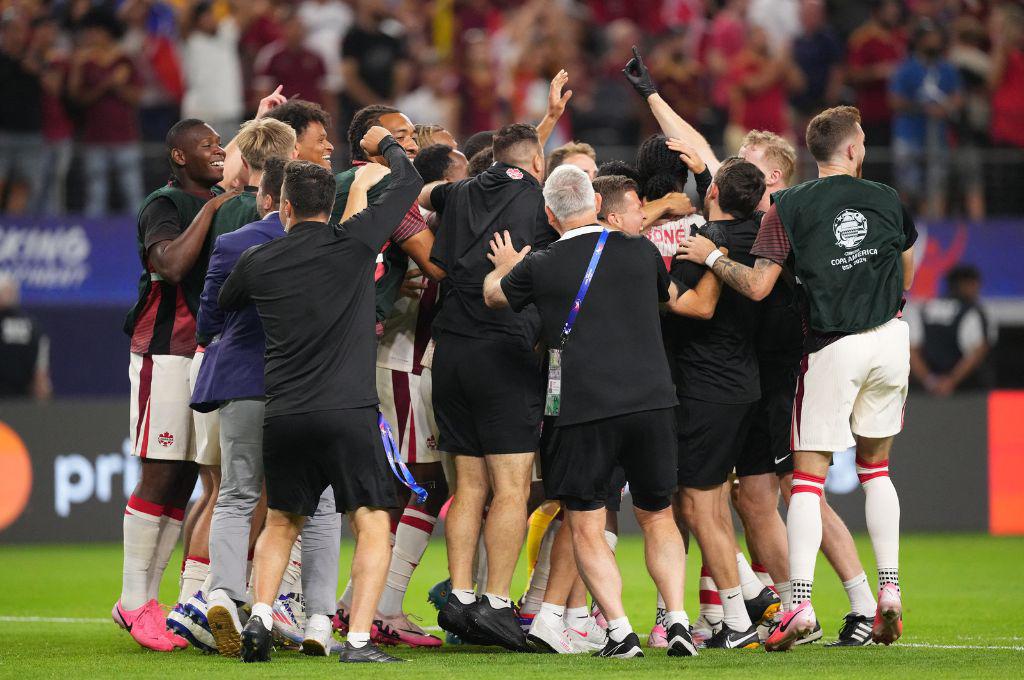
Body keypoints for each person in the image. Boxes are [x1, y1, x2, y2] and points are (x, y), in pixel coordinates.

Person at [677, 105, 918, 651]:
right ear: (853, 149)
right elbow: (906, 268)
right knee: (875, 469)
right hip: (890, 338)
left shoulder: (789, 206)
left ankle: (801, 605)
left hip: (828, 348)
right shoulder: (886, 197)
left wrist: (712, 256)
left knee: (804, 482)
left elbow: (757, 286)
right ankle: (888, 591)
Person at [219, 127, 422, 664]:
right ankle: (356, 640)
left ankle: (261, 616)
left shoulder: (258, 260)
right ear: (331, 206)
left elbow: (224, 302)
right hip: (348, 412)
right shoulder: (355, 243)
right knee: (372, 521)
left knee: (282, 520)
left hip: (285, 412)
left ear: (283, 206)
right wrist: (386, 143)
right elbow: (409, 181)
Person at [481, 165, 696, 659]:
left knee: (585, 521)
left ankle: (620, 631)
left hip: (584, 408)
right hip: (653, 401)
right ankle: (678, 622)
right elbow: (663, 298)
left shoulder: (542, 264)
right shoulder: (642, 250)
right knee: (658, 514)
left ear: (549, 214)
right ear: (596, 204)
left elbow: (493, 296)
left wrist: (507, 265)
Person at [419, 123, 555, 651]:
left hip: (451, 352)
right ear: (537, 163)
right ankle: (496, 603)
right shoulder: (540, 203)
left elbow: (422, 193)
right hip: (504, 352)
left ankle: (459, 596)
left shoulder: (457, 193)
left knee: (469, 487)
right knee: (512, 488)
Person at [168, 118, 300, 649]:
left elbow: (210, 313)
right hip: (275, 371)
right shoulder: (297, 224)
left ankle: (202, 598)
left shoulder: (225, 212)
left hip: (222, 364)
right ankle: (231, 602)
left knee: (222, 490)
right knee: (266, 495)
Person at [115, 117, 232, 653]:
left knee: (186, 478)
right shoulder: (164, 204)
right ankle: (132, 599)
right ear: (179, 156)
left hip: (204, 354)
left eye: (220, 143)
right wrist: (210, 208)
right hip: (164, 351)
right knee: (160, 474)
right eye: (206, 145)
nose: (218, 150)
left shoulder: (220, 199)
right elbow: (172, 264)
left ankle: (149, 600)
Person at [665, 158, 769, 651]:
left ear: (712, 196)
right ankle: (743, 606)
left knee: (697, 505)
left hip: (705, 387)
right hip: (744, 384)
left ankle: (738, 617)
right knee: (709, 504)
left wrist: (644, 272)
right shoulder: (763, 237)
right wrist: (711, 177)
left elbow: (691, 304)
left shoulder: (706, 241)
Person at [68, 9, 145, 216]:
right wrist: (108, 83)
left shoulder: (125, 59)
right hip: (94, 137)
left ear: (107, 32)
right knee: (95, 197)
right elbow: (76, 99)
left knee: (132, 193)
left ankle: (141, 234)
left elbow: (137, 98)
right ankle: (94, 235)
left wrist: (117, 86)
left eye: (94, 31)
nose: (90, 36)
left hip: (125, 136)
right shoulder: (84, 62)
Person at [889, 20, 962, 218]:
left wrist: (945, 108)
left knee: (937, 183)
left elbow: (958, 97)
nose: (934, 42)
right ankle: (906, 225)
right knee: (908, 185)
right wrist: (923, 108)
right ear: (919, 41)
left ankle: (935, 225)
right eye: (929, 37)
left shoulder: (946, 68)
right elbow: (894, 100)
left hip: (938, 137)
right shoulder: (906, 68)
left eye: (936, 37)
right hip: (909, 135)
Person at [909, 264, 996, 395]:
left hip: (925, 391)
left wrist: (929, 380)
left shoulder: (924, 308)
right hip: (966, 392)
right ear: (963, 284)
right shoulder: (973, 311)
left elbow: (912, 351)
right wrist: (951, 381)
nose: (977, 289)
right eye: (973, 284)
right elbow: (978, 351)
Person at [179, 1, 244, 142]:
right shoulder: (190, 40)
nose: (209, 19)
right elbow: (182, 22)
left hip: (228, 109)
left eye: (211, 15)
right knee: (199, 155)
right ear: (197, 19)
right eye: (205, 16)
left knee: (230, 154)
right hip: (200, 113)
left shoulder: (226, 35)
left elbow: (241, 12)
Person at [0, 10, 44, 214]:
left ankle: (14, 225)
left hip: (29, 133)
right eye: (13, 30)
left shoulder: (35, 57)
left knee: (23, 186)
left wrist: (37, 71)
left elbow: (54, 88)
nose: (17, 35)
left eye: (21, 30)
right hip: (3, 132)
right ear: (4, 32)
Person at [846, 0, 905, 146]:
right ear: (877, 11)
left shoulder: (902, 37)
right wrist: (878, 72)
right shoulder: (862, 38)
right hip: (873, 114)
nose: (894, 12)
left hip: (902, 114)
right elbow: (853, 74)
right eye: (889, 8)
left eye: (895, 8)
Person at [0, 274, 51, 400]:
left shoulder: (32, 326)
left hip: (22, 399)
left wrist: (41, 389)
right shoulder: (32, 325)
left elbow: (40, 372)